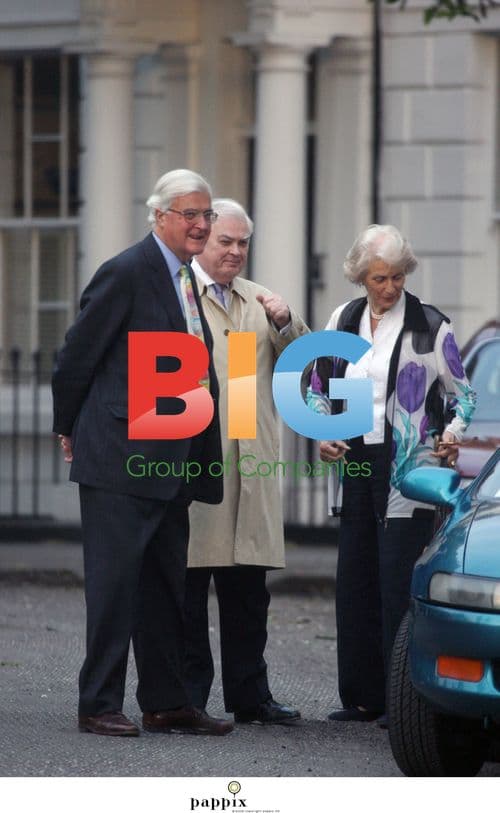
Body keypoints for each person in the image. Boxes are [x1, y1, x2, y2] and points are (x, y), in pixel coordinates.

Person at [52, 169, 233, 737]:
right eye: (190, 214)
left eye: (206, 215)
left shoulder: (185, 277)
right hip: (119, 456)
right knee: (114, 589)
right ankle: (98, 703)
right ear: (159, 216)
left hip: (171, 458)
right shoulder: (128, 271)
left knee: (165, 588)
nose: (201, 224)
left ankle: (166, 702)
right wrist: (67, 426)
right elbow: (76, 355)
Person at [307, 224, 476, 725]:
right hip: (357, 456)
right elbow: (319, 385)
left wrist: (452, 433)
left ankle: (401, 698)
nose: (389, 287)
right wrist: (323, 430)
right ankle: (363, 698)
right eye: (379, 278)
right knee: (356, 576)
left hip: (409, 464)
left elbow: (463, 395)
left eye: (397, 277)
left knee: (397, 576)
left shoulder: (429, 324)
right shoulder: (344, 318)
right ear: (361, 276)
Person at [184, 198, 308, 724]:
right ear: (201, 241)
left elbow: (306, 368)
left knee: (249, 596)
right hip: (194, 463)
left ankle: (250, 696)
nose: (235, 251)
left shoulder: (260, 300)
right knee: (187, 592)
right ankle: (187, 698)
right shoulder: (176, 295)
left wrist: (286, 321)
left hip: (249, 463)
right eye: (225, 241)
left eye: (243, 243)